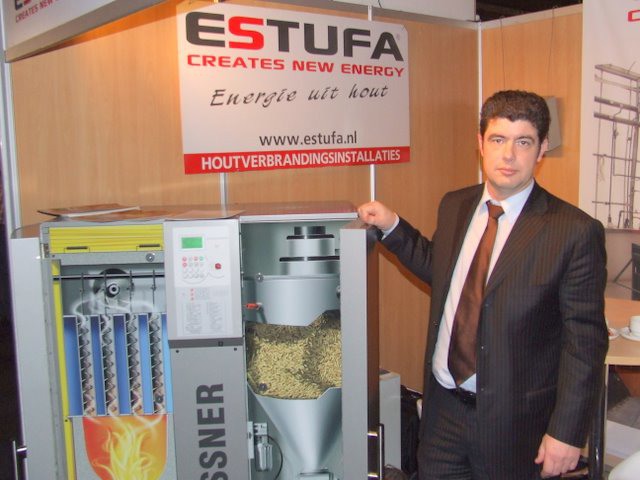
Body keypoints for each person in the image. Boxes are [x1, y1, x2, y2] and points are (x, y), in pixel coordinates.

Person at [358, 90, 608, 480]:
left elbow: (585, 343)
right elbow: (444, 271)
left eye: (523, 142)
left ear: (542, 148)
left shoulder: (573, 231)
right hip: (442, 414)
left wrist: (567, 432)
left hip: (515, 426)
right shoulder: (455, 205)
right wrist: (393, 226)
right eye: (498, 139)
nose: (509, 155)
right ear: (480, 143)